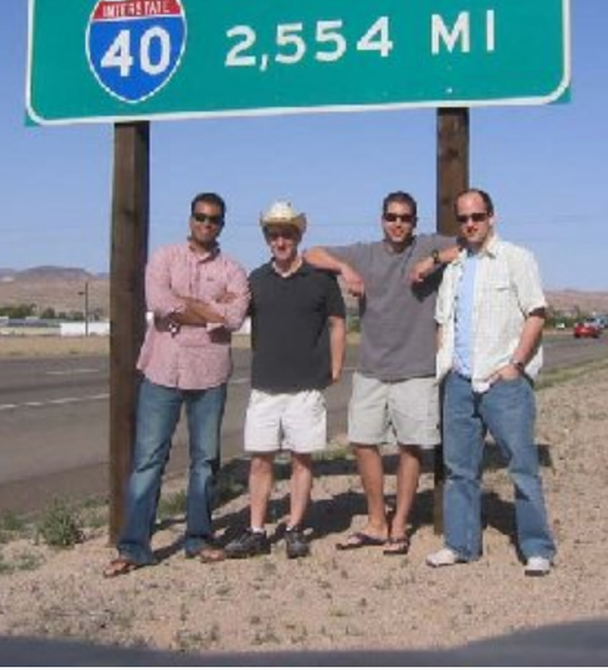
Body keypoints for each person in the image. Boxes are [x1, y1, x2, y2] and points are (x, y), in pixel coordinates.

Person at [103, 192, 250, 577]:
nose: (206, 224)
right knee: (149, 459)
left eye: (214, 219)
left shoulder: (234, 268)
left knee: (204, 460)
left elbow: (235, 318)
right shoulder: (165, 257)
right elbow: (159, 300)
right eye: (200, 217)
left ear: (222, 224)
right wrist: (210, 307)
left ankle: (199, 537)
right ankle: (134, 545)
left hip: (210, 373)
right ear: (190, 219)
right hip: (163, 370)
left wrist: (188, 306)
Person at [304, 191, 458, 555]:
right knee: (362, 441)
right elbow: (309, 254)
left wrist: (433, 260)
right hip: (372, 369)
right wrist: (344, 269)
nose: (398, 223)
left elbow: (470, 244)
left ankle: (400, 525)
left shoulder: (427, 246)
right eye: (392, 217)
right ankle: (376, 521)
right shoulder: (364, 253)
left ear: (415, 222)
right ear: (382, 219)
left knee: (410, 446)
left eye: (405, 218)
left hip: (416, 368)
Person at [205, 200, 346, 561]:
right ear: (267, 239)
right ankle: (256, 530)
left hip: (305, 388)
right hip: (265, 387)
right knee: (260, 461)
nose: (280, 241)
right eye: (274, 235)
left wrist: (336, 367)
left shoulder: (320, 279)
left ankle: (296, 528)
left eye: (286, 234)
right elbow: (233, 310)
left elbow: (337, 323)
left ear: (298, 236)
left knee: (302, 460)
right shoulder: (255, 280)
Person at [425, 188, 557, 575]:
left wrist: (516, 364)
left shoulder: (516, 259)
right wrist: (446, 366)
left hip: (504, 381)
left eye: (477, 217)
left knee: (522, 467)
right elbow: (442, 323)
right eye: (463, 219)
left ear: (492, 217)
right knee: (460, 469)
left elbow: (536, 313)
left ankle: (537, 548)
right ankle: (461, 544)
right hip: (460, 382)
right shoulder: (454, 270)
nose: (470, 224)